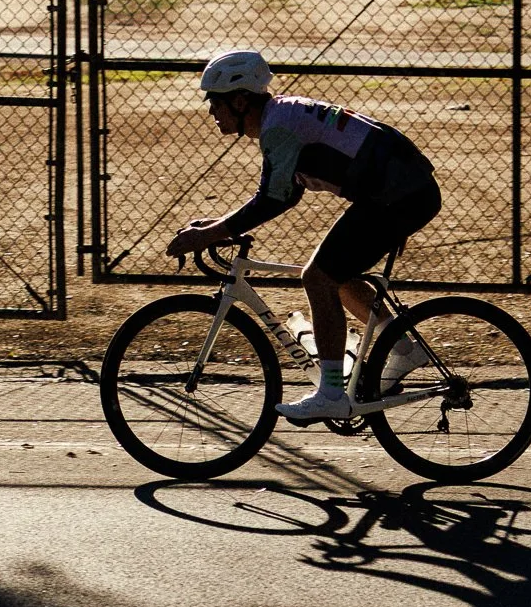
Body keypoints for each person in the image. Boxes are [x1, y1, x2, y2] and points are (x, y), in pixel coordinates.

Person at [166, 50, 441, 424]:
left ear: (241, 100)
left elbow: (274, 199)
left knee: (318, 277)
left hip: (398, 194)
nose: (211, 112)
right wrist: (220, 224)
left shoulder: (279, 126)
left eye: (215, 103)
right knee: (337, 276)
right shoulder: (280, 119)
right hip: (399, 190)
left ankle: (330, 393)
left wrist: (211, 234)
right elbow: (279, 191)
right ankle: (403, 348)